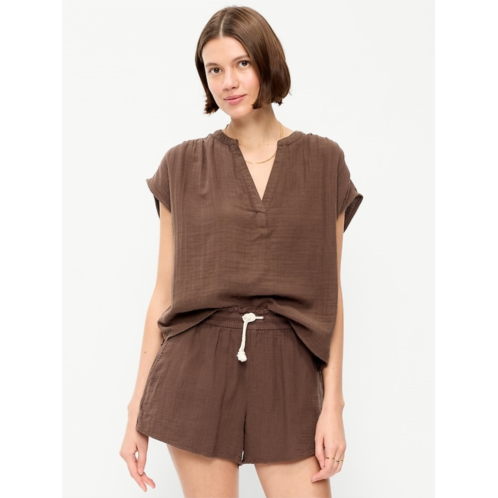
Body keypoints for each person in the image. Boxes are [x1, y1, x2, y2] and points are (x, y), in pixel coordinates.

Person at [119, 5, 363, 497]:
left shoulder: (324, 161)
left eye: (242, 63)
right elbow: (163, 294)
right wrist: (135, 412)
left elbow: (329, 293)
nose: (228, 82)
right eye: (214, 69)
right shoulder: (182, 164)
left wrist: (333, 404)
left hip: (289, 369)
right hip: (196, 367)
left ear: (267, 63)